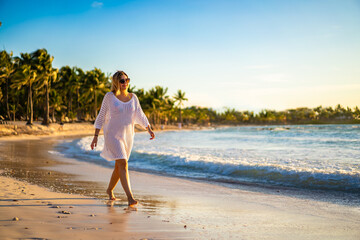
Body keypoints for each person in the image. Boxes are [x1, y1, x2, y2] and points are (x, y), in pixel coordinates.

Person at [90, 70, 155, 206]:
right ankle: (130, 198)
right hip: (112, 135)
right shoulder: (109, 97)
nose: (125, 83)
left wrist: (148, 128)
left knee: (119, 166)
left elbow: (140, 114)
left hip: (127, 136)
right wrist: (95, 136)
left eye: (127, 80)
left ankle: (109, 190)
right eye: (122, 81)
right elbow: (101, 116)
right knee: (123, 164)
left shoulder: (133, 97)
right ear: (116, 83)